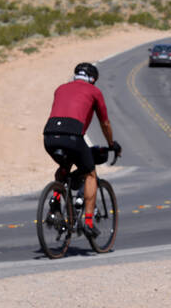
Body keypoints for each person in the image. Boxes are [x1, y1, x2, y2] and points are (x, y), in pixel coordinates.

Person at [44, 61, 119, 225]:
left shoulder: (61, 88)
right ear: (93, 79)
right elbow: (105, 123)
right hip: (72, 136)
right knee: (90, 173)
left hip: (49, 136)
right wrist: (111, 144)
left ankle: (55, 202)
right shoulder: (94, 91)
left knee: (64, 168)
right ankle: (89, 221)